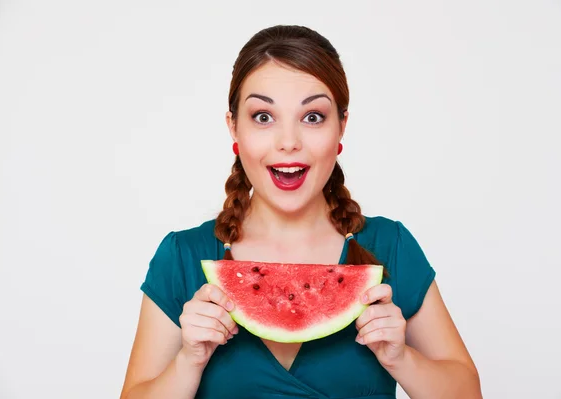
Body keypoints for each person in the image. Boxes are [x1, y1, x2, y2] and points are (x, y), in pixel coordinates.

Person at [120, 25, 482, 399]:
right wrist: (188, 362)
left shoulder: (390, 247)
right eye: (263, 116)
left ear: (342, 126)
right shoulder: (182, 258)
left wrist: (401, 359)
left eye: (312, 117)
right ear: (234, 128)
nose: (289, 142)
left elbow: (469, 392)